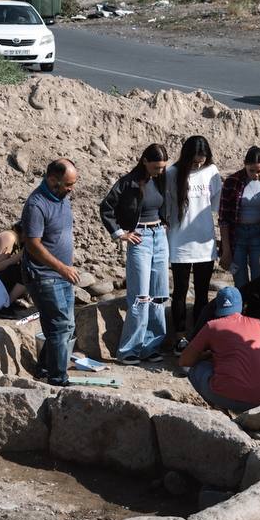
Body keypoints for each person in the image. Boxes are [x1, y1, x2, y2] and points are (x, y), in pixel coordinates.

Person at [100, 143, 171, 365]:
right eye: (156, 167)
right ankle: (129, 349)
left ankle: (151, 346)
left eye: (162, 167)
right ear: (145, 162)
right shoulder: (128, 182)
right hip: (139, 238)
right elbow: (106, 208)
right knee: (140, 295)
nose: (160, 171)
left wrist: (165, 222)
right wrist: (120, 234)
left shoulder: (161, 179)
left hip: (159, 236)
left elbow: (165, 203)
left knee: (158, 294)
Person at [22, 159, 80, 386]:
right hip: (44, 275)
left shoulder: (62, 197)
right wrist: (61, 267)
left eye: (73, 184)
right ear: (52, 180)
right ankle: (58, 379)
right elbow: (33, 244)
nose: (71, 189)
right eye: (67, 184)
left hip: (62, 274)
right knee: (58, 325)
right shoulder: (36, 205)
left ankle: (45, 369)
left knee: (67, 325)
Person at [179, 286, 260, 412]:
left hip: (226, 396)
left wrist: (206, 356)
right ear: (242, 306)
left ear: (217, 307)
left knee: (195, 368)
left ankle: (219, 410)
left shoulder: (212, 326)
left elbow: (184, 361)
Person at [166, 136, 222, 350]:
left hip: (204, 242)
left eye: (202, 161)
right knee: (179, 291)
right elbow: (168, 207)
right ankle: (179, 336)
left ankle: (200, 334)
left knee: (202, 292)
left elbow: (215, 204)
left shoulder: (211, 171)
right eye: (195, 161)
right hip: (180, 241)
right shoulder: (172, 173)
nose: (198, 165)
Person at [218, 147, 260, 288]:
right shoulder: (232, 181)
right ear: (244, 164)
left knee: (259, 277)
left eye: (259, 171)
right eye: (252, 170)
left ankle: (256, 309)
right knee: (239, 278)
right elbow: (223, 218)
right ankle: (241, 307)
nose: (256, 175)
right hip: (237, 236)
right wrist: (226, 250)